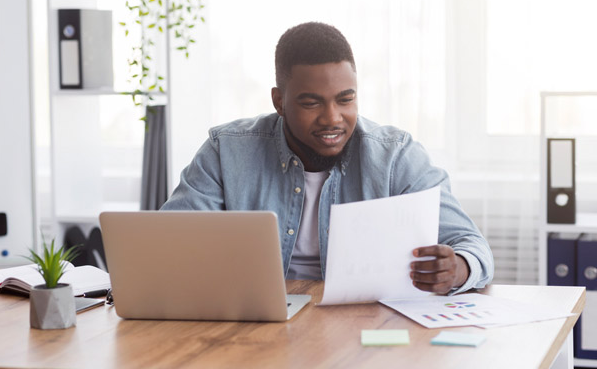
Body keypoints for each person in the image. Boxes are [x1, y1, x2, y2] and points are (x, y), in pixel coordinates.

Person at [161, 22, 494, 295]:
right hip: (255, 321)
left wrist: (458, 269)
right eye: (311, 103)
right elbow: (168, 242)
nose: (332, 118)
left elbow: (472, 244)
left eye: (345, 100)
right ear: (279, 101)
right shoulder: (226, 151)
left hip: (363, 324)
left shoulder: (396, 156)